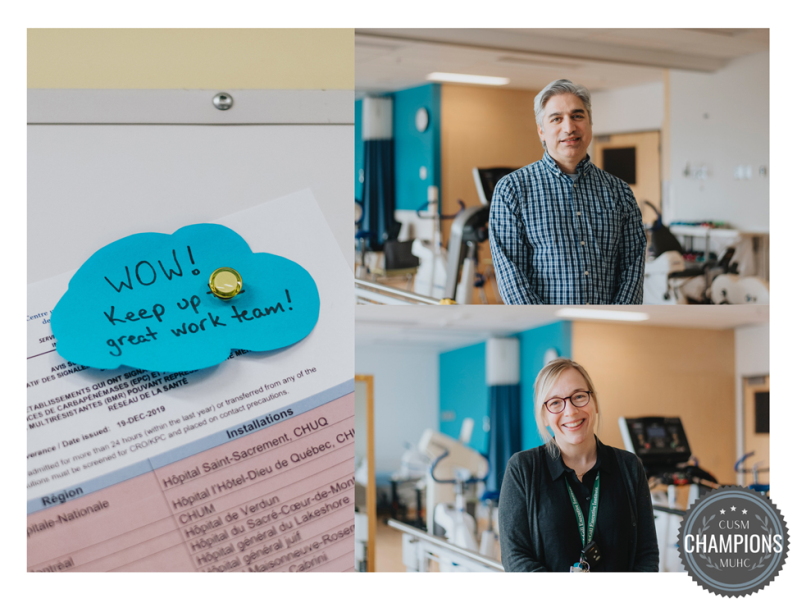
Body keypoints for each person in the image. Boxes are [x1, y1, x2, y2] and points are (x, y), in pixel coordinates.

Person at [489, 79, 647, 304]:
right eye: (556, 119)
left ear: (590, 124)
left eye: (577, 116)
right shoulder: (512, 190)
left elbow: (632, 267)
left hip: (608, 329)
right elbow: (511, 278)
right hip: (545, 332)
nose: (569, 127)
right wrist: (545, 329)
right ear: (541, 131)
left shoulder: (619, 192)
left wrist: (616, 321)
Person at [498, 358, 658, 572]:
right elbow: (515, 557)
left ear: (594, 402)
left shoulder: (629, 467)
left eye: (579, 397)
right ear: (544, 415)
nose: (571, 411)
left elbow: (646, 555)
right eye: (555, 403)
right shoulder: (523, 469)